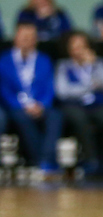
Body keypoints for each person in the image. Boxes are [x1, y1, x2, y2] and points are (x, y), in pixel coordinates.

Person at [55, 31, 103, 179]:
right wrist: (89, 86)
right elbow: (63, 91)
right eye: (75, 46)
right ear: (69, 49)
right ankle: (91, 161)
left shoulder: (98, 63)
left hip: (97, 105)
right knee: (80, 119)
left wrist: (92, 67)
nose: (79, 50)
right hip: (74, 106)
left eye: (82, 46)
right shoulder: (64, 65)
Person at [0, 21, 60, 174]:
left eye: (30, 37)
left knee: (56, 117)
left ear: (36, 40)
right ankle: (39, 160)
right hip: (16, 106)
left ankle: (47, 160)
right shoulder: (4, 61)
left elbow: (50, 86)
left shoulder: (44, 59)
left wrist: (42, 104)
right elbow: (4, 89)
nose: (26, 40)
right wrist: (22, 105)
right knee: (22, 118)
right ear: (16, 38)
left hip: (40, 104)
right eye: (23, 36)